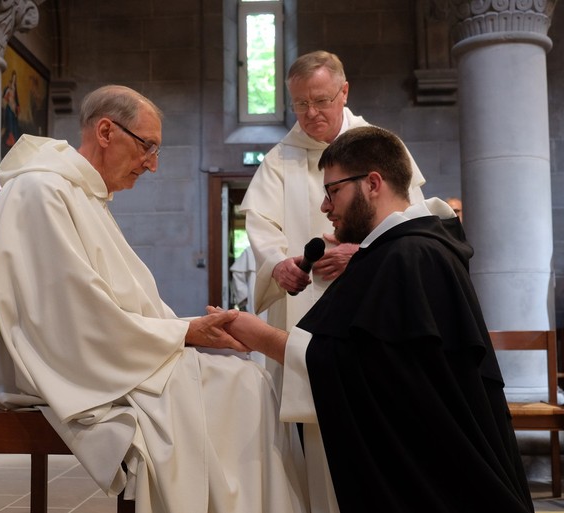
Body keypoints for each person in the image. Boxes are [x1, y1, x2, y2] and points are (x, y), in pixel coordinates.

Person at [0, 85, 308, 513]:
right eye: (147, 146)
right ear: (105, 132)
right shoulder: (40, 192)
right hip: (67, 367)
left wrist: (189, 334)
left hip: (104, 356)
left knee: (255, 384)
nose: (152, 164)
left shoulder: (80, 194)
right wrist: (185, 333)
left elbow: (108, 307)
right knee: (246, 391)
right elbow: (70, 317)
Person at [213, 125, 535, 513]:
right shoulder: (409, 250)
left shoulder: (406, 258)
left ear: (373, 183)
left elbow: (368, 372)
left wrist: (262, 336)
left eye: (332, 191)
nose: (325, 207)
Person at [238, 50, 430, 512]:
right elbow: (262, 232)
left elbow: (412, 224)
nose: (310, 114)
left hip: (371, 310)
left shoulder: (380, 147)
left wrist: (362, 255)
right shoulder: (279, 159)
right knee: (311, 430)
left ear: (344, 92)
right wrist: (280, 263)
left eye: (320, 101)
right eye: (300, 104)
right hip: (303, 314)